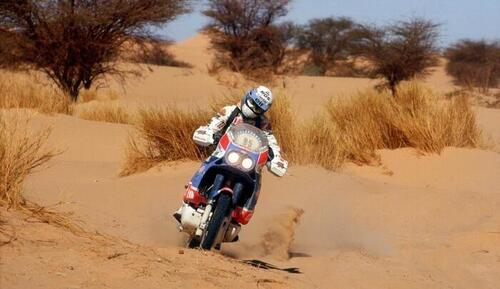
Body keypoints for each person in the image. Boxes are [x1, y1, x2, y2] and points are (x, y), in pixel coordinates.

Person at [174, 86, 288, 225]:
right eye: (252, 103)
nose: (253, 108)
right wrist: (208, 132)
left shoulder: (263, 123)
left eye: (258, 108)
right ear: (247, 97)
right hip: (224, 153)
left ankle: (242, 211)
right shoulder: (230, 111)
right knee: (209, 162)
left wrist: (276, 158)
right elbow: (214, 123)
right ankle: (191, 197)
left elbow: (271, 141)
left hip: (249, 161)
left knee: (256, 177)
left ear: (263, 110)